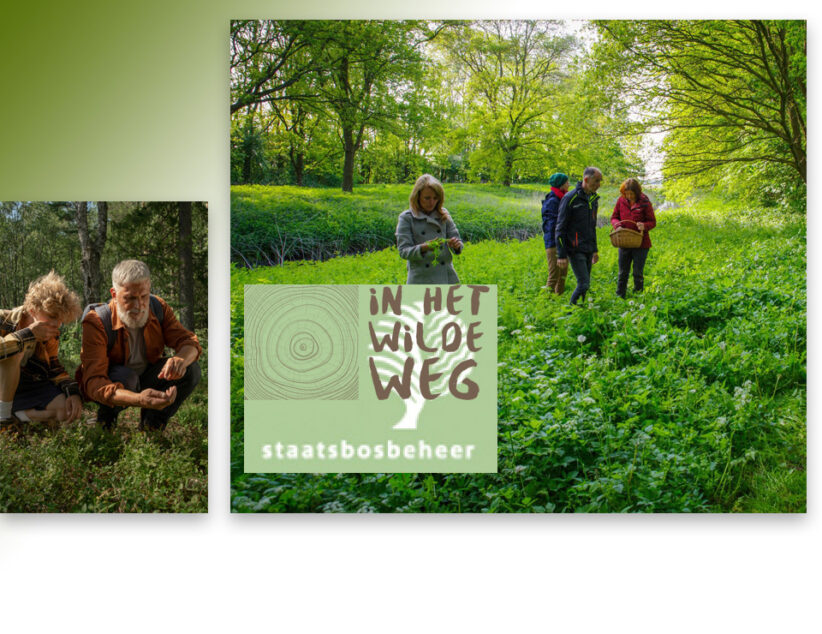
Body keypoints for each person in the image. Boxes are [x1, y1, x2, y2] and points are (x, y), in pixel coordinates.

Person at [79, 260, 201, 431]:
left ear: (149, 289)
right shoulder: (97, 321)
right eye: (129, 298)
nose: (138, 306)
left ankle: (152, 426)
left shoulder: (158, 307)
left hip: (147, 376)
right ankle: (106, 420)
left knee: (191, 369)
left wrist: (181, 359)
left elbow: (188, 341)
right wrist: (140, 400)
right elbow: (94, 383)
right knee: (126, 376)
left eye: (143, 296)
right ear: (114, 294)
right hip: (118, 381)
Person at [0, 271, 83, 432]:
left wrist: (72, 391)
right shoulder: (3, 319)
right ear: (32, 309)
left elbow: (54, 367)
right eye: (52, 316)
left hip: (26, 387)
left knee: (66, 411)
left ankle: (17, 416)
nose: (56, 324)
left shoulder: (50, 333)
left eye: (60, 319)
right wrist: (27, 335)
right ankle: (3, 420)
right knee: (16, 351)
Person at [396, 174, 464, 284]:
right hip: (420, 279)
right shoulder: (407, 218)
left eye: (435, 198)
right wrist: (424, 247)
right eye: (427, 198)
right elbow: (403, 251)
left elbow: (457, 239)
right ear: (417, 196)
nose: (431, 202)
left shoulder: (443, 214)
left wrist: (456, 245)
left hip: (445, 278)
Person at [556, 167, 603, 305]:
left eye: (600, 181)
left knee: (585, 284)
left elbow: (592, 227)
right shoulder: (570, 198)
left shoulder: (593, 199)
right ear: (586, 180)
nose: (599, 185)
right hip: (575, 248)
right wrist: (561, 255)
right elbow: (560, 228)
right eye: (596, 181)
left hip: (588, 247)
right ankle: (571, 311)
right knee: (583, 284)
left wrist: (595, 249)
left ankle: (580, 310)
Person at [610, 178, 657, 298]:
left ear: (637, 192)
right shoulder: (621, 200)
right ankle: (620, 296)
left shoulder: (644, 201)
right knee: (622, 272)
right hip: (624, 241)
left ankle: (638, 296)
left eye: (632, 194)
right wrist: (617, 225)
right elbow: (614, 217)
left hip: (641, 243)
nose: (629, 196)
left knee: (637, 273)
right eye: (627, 194)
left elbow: (652, 221)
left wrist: (644, 225)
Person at [541, 172, 570, 294]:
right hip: (553, 243)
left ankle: (558, 301)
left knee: (562, 276)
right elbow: (552, 225)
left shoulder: (561, 198)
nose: (569, 184)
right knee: (554, 275)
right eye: (567, 182)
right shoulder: (553, 201)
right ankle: (545, 303)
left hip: (562, 242)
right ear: (561, 185)